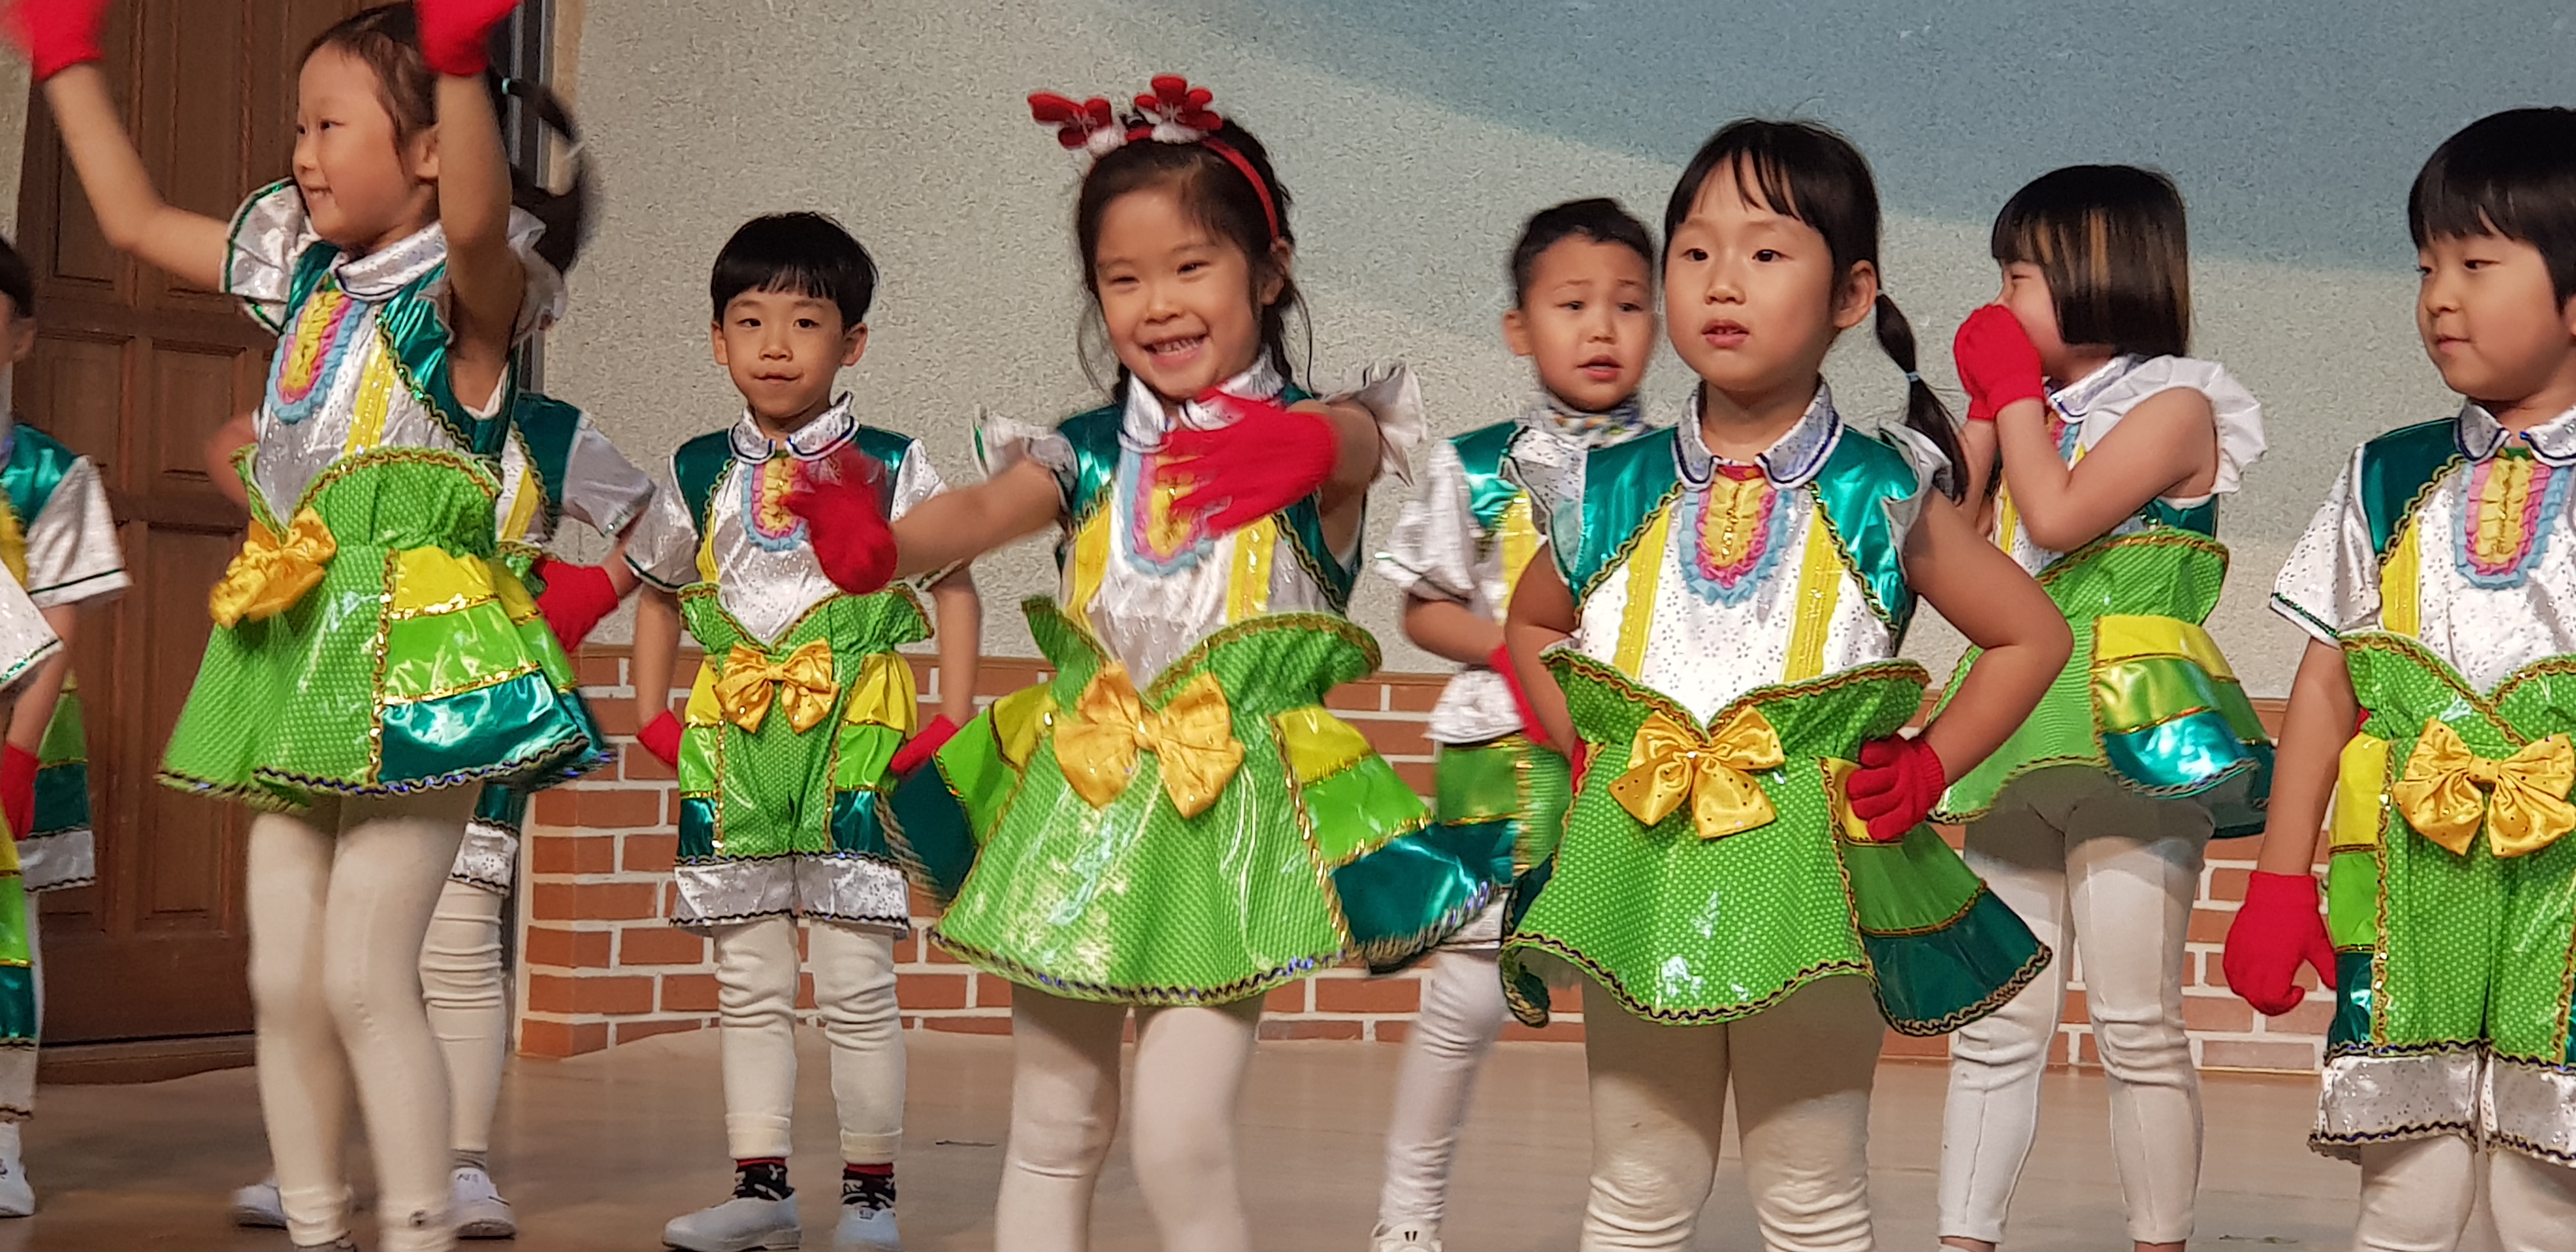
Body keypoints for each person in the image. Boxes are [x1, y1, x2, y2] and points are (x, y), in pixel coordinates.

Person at [13, 3, 606, 1248]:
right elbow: (133, 222)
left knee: (363, 974)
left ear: (430, 150)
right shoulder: (303, 278)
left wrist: (457, 63)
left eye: (330, 126)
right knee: (283, 977)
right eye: (298, 126)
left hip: (421, 657)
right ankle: (320, 1223)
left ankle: (418, 1223)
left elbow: (478, 221)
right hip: (295, 643)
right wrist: (62, 57)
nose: (301, 152)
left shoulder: (466, 296)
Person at [870, 75, 1467, 1252]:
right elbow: (978, 515)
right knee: (1053, 1124)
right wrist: (873, 547)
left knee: (1178, 1136)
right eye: (1123, 278)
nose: (1157, 304)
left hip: (1226, 819)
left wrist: (1305, 443)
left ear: (1269, 272)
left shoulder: (1320, 442)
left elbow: (1357, 439)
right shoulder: (1086, 453)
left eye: (1191, 266)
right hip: (1078, 800)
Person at [1496, 119, 2070, 1252]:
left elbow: (2031, 637)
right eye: (1695, 251)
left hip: (1812, 873)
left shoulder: (1882, 488)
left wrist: (1930, 766)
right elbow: (1532, 622)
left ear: (1851, 294)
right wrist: (1583, 739)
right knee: (1636, 1187)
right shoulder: (1604, 482)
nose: (1723, 280)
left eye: (1765, 252)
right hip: (1636, 859)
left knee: (1812, 1195)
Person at [2225, 107, 2576, 1252]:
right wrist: (2279, 879)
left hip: (2569, 895)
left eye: (2477, 264)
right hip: (2408, 885)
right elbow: (2329, 685)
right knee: (2405, 1191)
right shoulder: (2386, 474)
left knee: (2549, 1196)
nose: (2439, 298)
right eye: (2427, 267)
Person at [620, 210, 979, 1252]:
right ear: (717, 339)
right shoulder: (697, 467)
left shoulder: (893, 463)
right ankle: (760, 1189)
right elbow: (659, 588)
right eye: (750, 320)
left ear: (852, 342)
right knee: (749, 980)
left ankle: (870, 1198)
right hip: (734, 741)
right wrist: (650, 711)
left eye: (806, 321)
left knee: (858, 978)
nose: (775, 346)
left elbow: (954, 581)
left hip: (853, 735)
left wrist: (952, 713)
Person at [220, 388, 658, 1239]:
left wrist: (592, 592)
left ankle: (459, 1163)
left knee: (455, 942)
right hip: (338, 677)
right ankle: (314, 1159)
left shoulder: (547, 431)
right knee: (320, 947)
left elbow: (657, 519)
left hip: (465, 692)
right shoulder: (348, 397)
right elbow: (237, 445)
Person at [1932, 165, 2273, 1252]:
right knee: (1996, 1024)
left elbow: (2059, 514)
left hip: (2136, 730)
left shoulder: (2176, 405)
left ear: (2100, 272)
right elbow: (1944, 546)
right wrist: (1981, 416)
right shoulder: (2032, 413)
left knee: (2134, 1021)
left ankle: (2158, 1241)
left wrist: (2012, 399)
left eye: (2019, 276)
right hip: (2016, 722)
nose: (2000, 299)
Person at [1363, 196, 1659, 1252]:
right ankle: (1407, 1221)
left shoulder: (1682, 466)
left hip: (1642, 761)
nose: (1601, 327)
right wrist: (1519, 650)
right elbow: (1423, 607)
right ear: (1519, 327)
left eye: (1629, 304)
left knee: (1638, 999)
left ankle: (1634, 1221)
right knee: (1469, 998)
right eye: (1572, 304)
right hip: (1502, 754)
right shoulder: (1479, 463)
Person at [0, 234, 129, 1219]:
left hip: (19, 735)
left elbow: (58, 631)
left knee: (10, 937)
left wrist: (15, 757)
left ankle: (3, 1141)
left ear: (21, 339)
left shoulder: (53, 475)